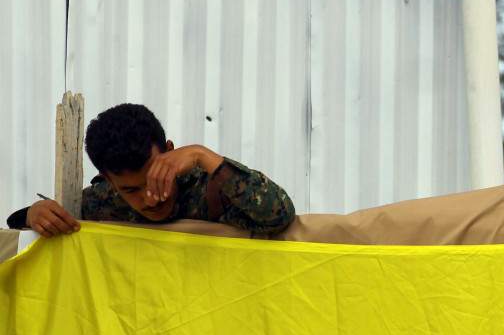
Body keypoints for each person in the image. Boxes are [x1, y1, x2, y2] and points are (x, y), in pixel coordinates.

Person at [7, 103, 295, 237]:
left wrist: (202, 155)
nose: (151, 199)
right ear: (108, 181)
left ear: (171, 151)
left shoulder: (213, 188)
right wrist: (34, 214)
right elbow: (20, 229)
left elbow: (278, 215)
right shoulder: (102, 202)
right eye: (130, 190)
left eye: (157, 179)